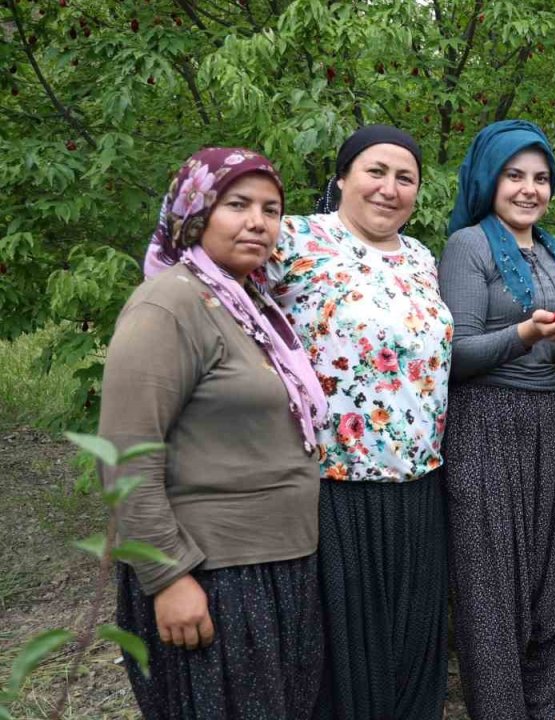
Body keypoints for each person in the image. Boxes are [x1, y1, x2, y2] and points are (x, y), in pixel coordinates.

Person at [159, 126, 453, 720]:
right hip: (331, 483)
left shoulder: (421, 256)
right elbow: (213, 297)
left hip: (420, 481)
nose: (389, 188)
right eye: (375, 171)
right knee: (346, 654)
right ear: (342, 177)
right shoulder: (296, 239)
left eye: (405, 178)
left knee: (414, 644)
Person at [104, 147, 328, 719]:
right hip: (212, 571)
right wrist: (168, 577)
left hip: (279, 562)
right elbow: (127, 458)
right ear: (195, 210)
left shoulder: (248, 304)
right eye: (238, 204)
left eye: (271, 209)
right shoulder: (169, 305)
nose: (258, 221)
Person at [439, 119, 555, 720]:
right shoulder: (469, 246)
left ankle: (543, 700)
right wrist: (528, 330)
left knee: (551, 566)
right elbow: (456, 355)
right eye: (515, 176)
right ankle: (500, 708)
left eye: (540, 178)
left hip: (552, 419)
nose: (529, 189)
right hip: (487, 420)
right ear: (490, 180)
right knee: (490, 576)